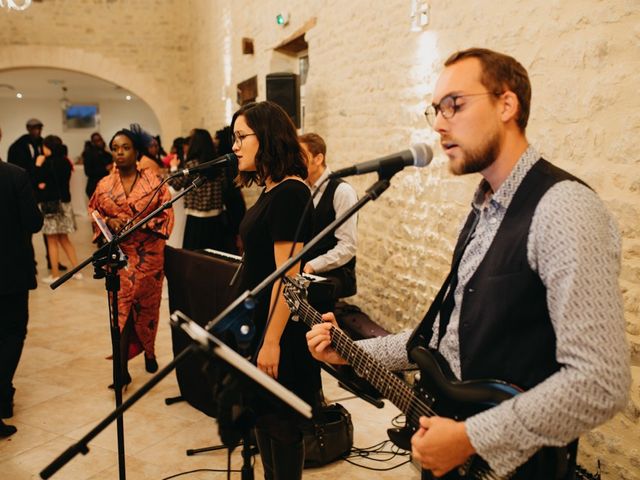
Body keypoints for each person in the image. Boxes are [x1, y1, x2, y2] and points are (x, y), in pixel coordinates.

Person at [306, 48, 630, 479]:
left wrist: (471, 437)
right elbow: (444, 341)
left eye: (454, 105)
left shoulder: (563, 207)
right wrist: (350, 353)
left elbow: (601, 381)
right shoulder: (483, 208)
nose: (439, 124)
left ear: (507, 104)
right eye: (435, 110)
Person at [231, 101, 320, 480]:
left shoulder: (290, 193)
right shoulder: (271, 190)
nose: (234, 146)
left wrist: (270, 340)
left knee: (281, 431)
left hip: (279, 332)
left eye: (240, 137)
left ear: (266, 137)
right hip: (262, 326)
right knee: (265, 425)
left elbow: (288, 276)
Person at [88, 129, 174, 386]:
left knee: (147, 311)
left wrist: (141, 225)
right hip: (120, 256)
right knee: (120, 309)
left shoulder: (153, 181)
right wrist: (109, 221)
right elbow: (94, 211)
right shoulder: (104, 184)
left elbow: (166, 214)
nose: (120, 152)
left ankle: (149, 351)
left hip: (149, 257)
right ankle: (120, 369)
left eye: (125, 147)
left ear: (136, 151)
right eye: (115, 148)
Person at [0, 126, 44, 437]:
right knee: (12, 332)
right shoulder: (15, 175)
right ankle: (2, 394)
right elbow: (34, 222)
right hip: (10, 271)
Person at [299, 132, 358, 304]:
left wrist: (312, 266)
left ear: (318, 159)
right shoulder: (304, 188)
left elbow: (347, 246)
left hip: (334, 273)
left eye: (301, 156)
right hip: (306, 268)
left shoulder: (342, 191)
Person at [7, 118, 67, 273]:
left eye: (39, 127)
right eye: (34, 128)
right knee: (27, 231)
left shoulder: (44, 143)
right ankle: (29, 262)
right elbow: (16, 170)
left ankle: (52, 261)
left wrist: (42, 176)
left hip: (45, 195)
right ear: (28, 128)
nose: (37, 130)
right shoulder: (18, 146)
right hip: (26, 190)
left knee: (49, 232)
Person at [168, 128, 235, 252]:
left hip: (196, 218)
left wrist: (173, 168)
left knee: (195, 257)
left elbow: (175, 185)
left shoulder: (193, 165)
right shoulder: (219, 164)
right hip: (216, 217)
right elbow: (225, 187)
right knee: (213, 256)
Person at [34, 135, 82, 284]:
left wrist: (37, 165)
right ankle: (77, 271)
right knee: (64, 239)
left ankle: (54, 275)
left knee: (51, 241)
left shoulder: (47, 162)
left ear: (48, 147)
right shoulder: (65, 161)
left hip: (50, 206)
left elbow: (39, 182)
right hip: (64, 204)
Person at [82, 132, 113, 198]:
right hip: (94, 187)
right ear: (93, 143)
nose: (100, 142)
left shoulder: (106, 154)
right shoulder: (89, 154)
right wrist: (105, 169)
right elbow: (88, 172)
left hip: (105, 187)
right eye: (96, 141)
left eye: (100, 139)